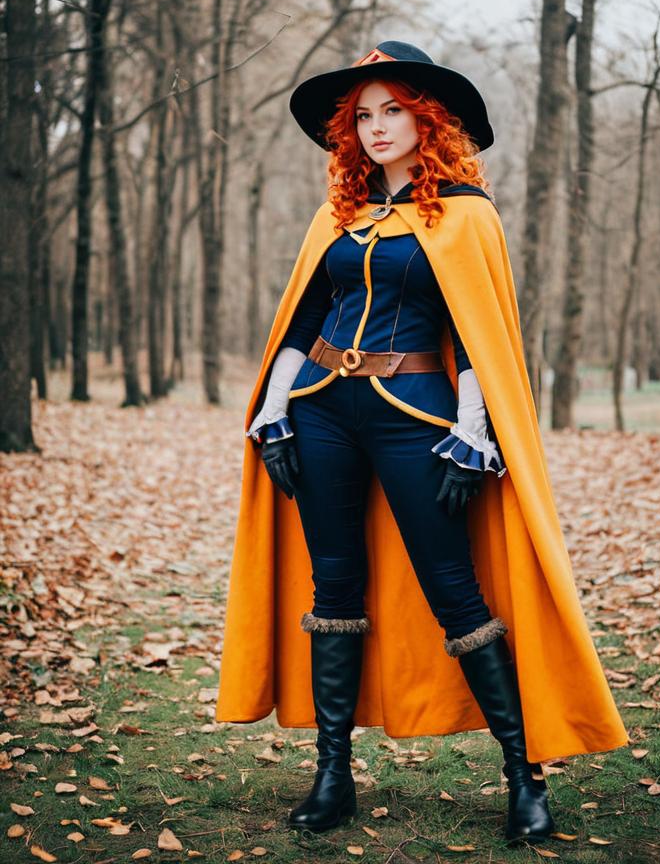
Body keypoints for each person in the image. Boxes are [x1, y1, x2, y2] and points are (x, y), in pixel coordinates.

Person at [215, 41, 628, 847]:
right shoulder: (339, 217)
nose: (375, 127)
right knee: (333, 585)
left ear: (426, 118)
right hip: (321, 410)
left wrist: (475, 431)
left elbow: (476, 338)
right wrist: (270, 411)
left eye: (391, 109)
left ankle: (523, 775)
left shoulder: (468, 217)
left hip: (420, 416)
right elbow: (300, 323)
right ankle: (333, 777)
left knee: (454, 588)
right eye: (362, 116)